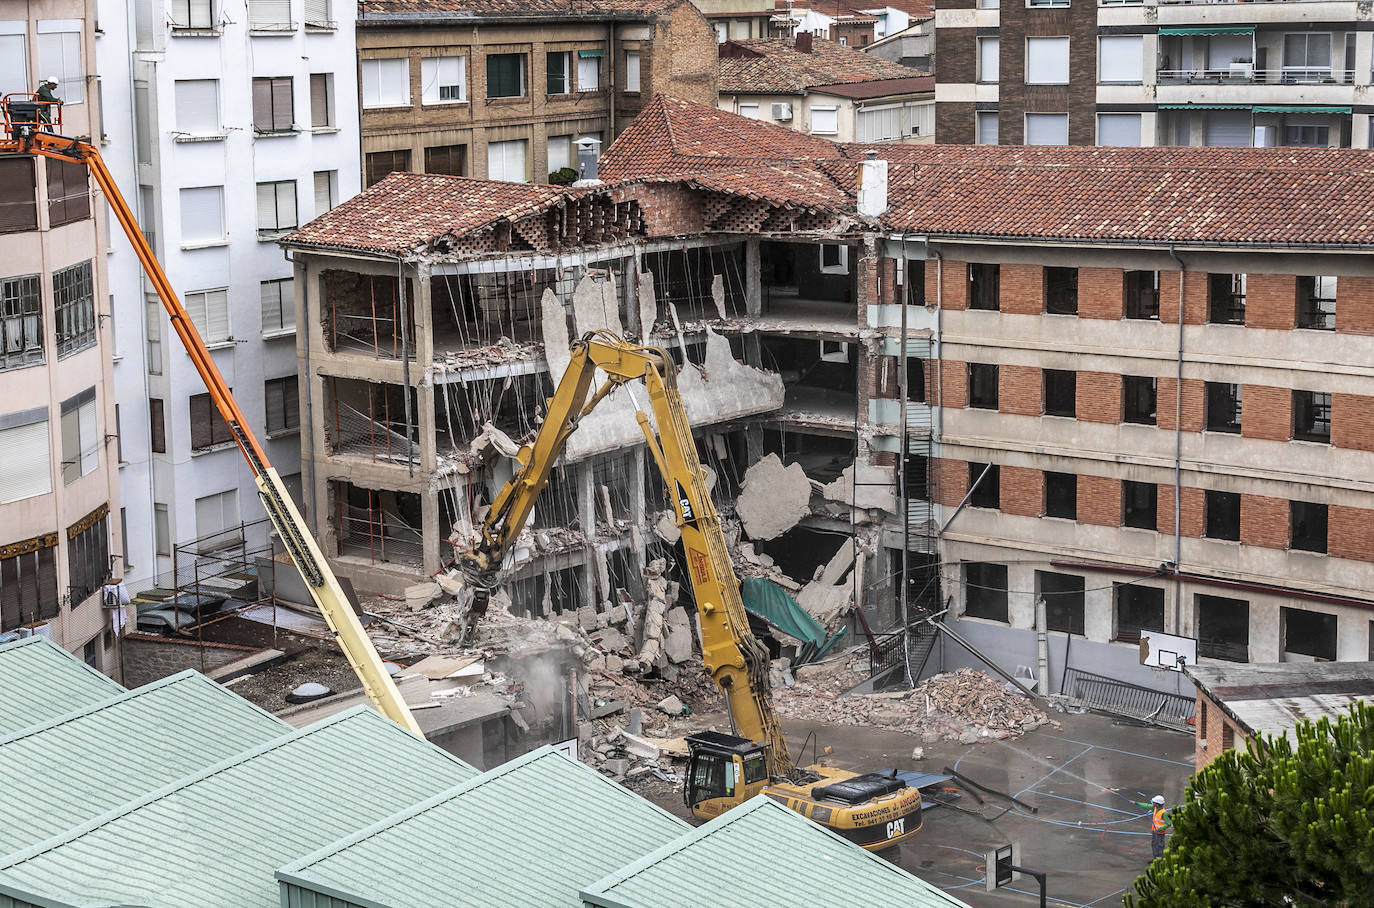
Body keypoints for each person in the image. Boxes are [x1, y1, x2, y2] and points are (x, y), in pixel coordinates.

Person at [1135, 794, 1172, 859]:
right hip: (1154, 831)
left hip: (1160, 833)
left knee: (1160, 846)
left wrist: (1161, 828)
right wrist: (1136, 803)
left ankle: (1160, 861)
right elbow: (1146, 806)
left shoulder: (1164, 813)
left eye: (1154, 802)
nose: (1152, 803)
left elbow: (1168, 823)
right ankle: (1155, 859)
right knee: (1154, 845)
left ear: (1157, 804)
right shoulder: (1155, 808)